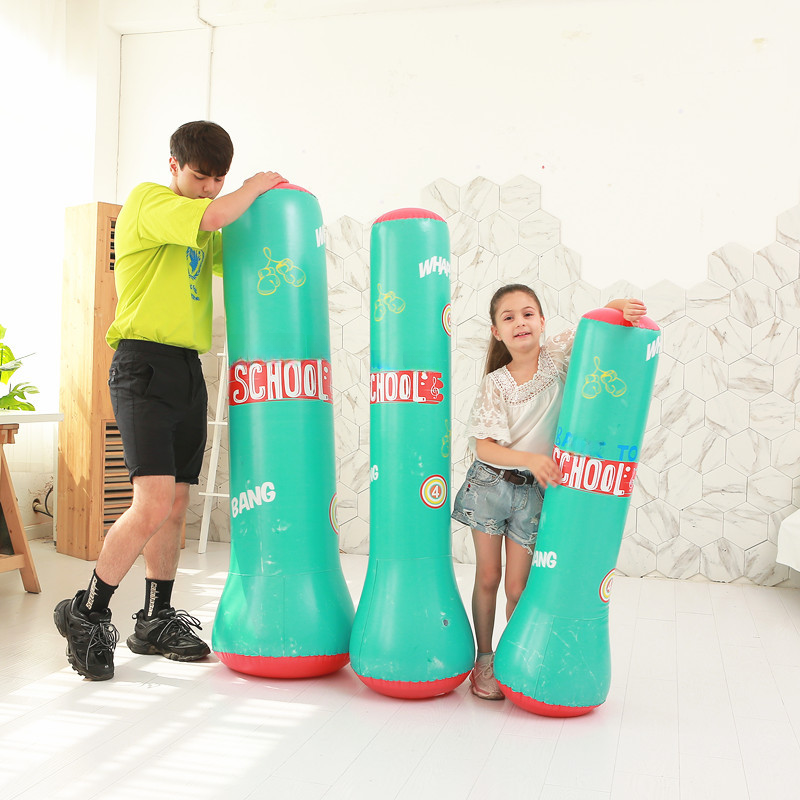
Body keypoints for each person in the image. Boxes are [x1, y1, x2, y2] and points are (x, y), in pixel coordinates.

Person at [54, 121, 286, 680]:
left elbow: (237, 248)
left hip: (186, 367)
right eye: (201, 177)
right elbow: (213, 217)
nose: (210, 188)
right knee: (153, 501)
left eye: (219, 179)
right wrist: (253, 186)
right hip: (142, 364)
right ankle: (88, 612)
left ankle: (154, 619)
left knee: (177, 503)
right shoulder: (149, 202)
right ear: (174, 166)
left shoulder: (203, 221)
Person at [451, 284, 647, 699]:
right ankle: (483, 659)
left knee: (519, 588)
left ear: (542, 322)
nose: (520, 322)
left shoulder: (556, 356)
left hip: (534, 495)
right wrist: (530, 459)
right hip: (491, 486)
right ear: (496, 332)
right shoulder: (496, 383)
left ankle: (514, 658)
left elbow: (593, 323)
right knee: (489, 576)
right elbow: (483, 447)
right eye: (508, 318)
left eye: (528, 314)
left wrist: (619, 307)